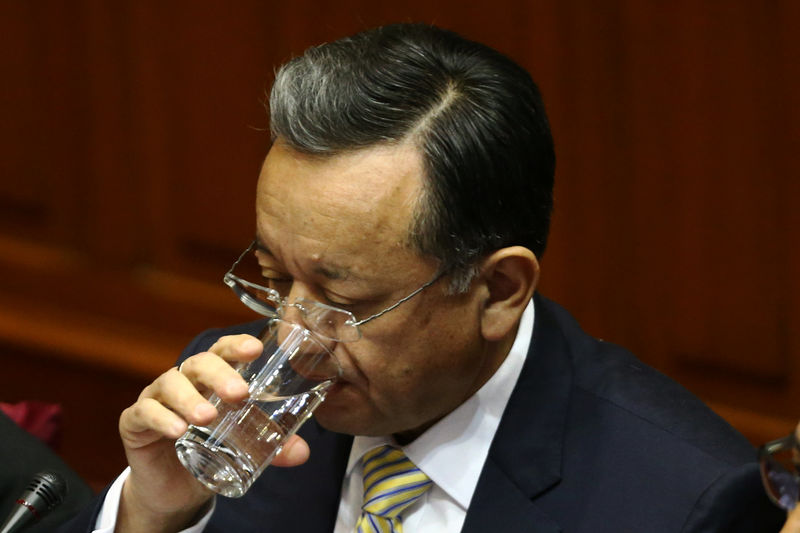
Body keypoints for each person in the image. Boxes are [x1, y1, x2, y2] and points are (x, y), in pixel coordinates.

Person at [58, 23, 783, 532]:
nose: (288, 334)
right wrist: (153, 516)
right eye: (276, 277)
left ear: (498, 290)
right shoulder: (230, 403)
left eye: (343, 300)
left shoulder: (682, 499)